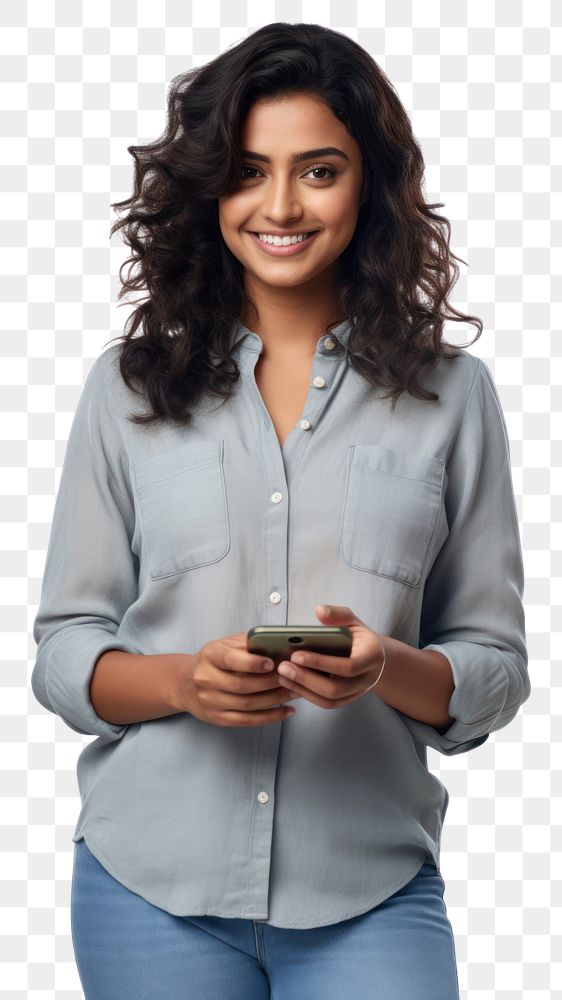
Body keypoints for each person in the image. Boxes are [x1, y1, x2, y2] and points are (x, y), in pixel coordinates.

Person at [31, 21, 530, 1000]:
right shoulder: (126, 389)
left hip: (369, 885)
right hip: (148, 883)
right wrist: (181, 681)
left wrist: (383, 665)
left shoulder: (454, 396)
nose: (280, 204)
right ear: (213, 188)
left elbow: (494, 669)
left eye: (318, 170)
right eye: (250, 171)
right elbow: (62, 651)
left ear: (368, 187)